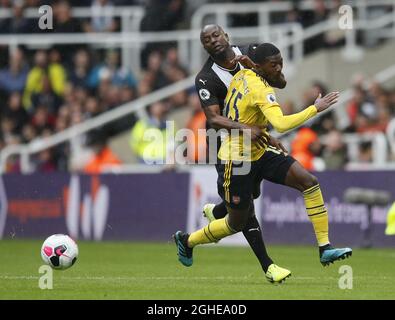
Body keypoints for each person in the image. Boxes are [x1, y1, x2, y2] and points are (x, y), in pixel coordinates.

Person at [174, 42, 352, 282]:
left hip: (259, 149)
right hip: (236, 159)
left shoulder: (245, 72)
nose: (279, 68)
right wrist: (314, 109)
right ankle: (188, 240)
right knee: (236, 222)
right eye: (274, 64)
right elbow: (281, 123)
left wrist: (268, 136)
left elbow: (263, 98)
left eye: (281, 62)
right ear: (260, 66)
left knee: (309, 182)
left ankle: (325, 248)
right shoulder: (258, 87)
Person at [181, 24, 289, 283]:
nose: (213, 40)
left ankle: (215, 214)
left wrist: (254, 66)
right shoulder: (206, 78)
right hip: (227, 144)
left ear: (226, 36)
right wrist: (245, 128)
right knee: (245, 208)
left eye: (216, 35)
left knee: (249, 196)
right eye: (206, 39)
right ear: (204, 46)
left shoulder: (250, 54)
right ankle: (269, 267)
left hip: (256, 140)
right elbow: (214, 119)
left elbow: (281, 82)